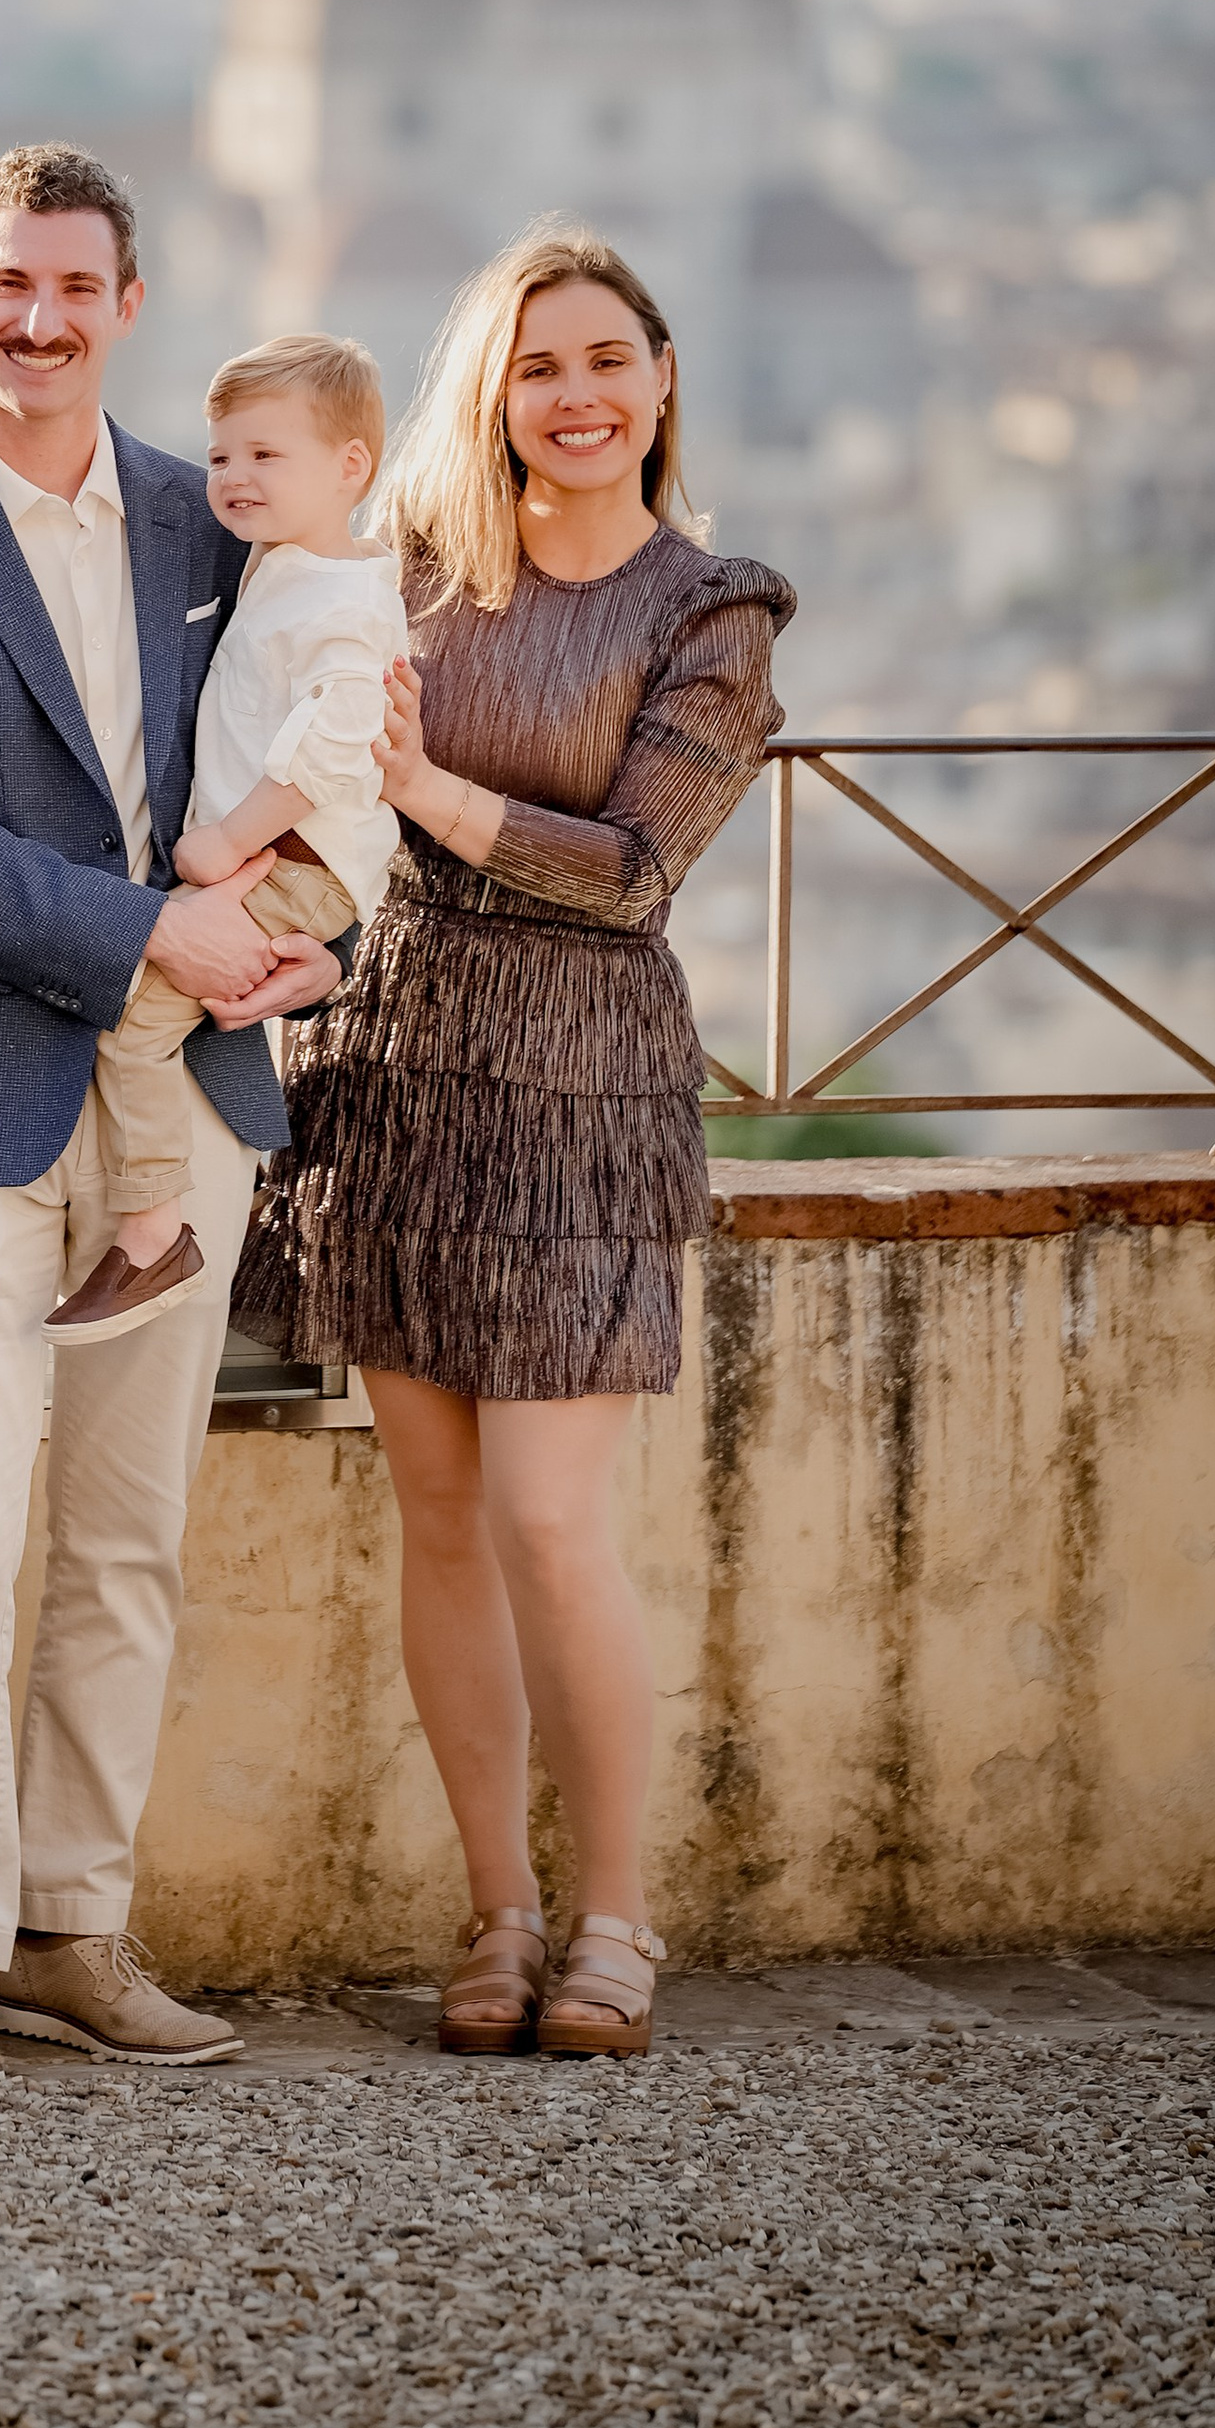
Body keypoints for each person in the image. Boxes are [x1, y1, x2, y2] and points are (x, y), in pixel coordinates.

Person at [0, 141, 344, 2083]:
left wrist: (299, 933)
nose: (36, 320)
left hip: (186, 1096)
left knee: (127, 1538)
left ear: (128, 307)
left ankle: (72, 1927)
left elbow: (331, 747)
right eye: (4, 284)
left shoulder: (228, 526)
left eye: (73, 290)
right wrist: (154, 934)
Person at [237, 221, 792, 2060]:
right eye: (536, 365)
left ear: (660, 383)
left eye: (606, 361)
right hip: (391, 1063)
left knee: (556, 1525)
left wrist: (424, 794)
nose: (575, 397)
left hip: (579, 1086)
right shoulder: (390, 575)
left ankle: (618, 1917)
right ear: (491, 393)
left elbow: (633, 877)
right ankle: (496, 1914)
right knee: (447, 1520)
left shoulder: (711, 609)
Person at [47, 332, 411, 1343]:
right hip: (278, 859)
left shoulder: (345, 595)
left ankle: (152, 1232)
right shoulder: (284, 571)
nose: (234, 477)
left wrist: (227, 840)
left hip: (289, 863)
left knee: (136, 1018)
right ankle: (148, 1222)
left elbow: (341, 736)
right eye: (220, 456)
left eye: (265, 455)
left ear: (350, 467)